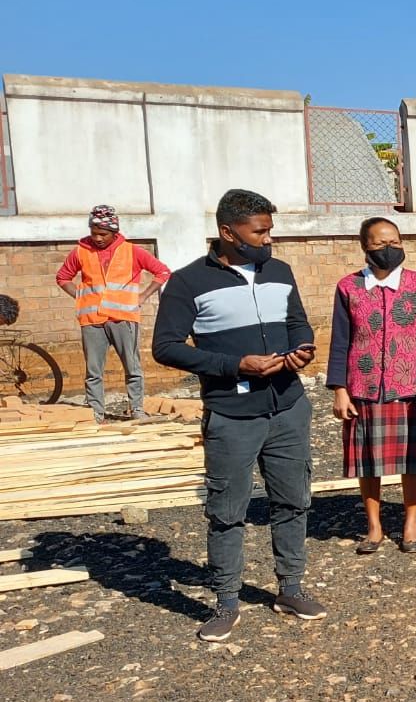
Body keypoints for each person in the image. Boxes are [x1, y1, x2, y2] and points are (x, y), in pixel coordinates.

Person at [153, 188, 324, 642]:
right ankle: (226, 601)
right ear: (228, 233)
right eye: (260, 231)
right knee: (227, 511)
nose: (268, 239)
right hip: (232, 414)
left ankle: (290, 588)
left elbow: (297, 321)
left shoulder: (279, 271)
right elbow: (165, 347)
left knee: (293, 500)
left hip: (288, 406)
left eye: (269, 229)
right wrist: (234, 365)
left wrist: (302, 347)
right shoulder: (188, 282)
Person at [325, 218, 416, 555]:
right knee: (368, 460)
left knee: (413, 459)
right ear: (365, 246)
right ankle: (374, 527)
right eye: (380, 243)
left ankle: (411, 523)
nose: (389, 248)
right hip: (363, 387)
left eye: (394, 241)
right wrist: (339, 388)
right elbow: (339, 340)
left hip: (410, 386)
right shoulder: (348, 288)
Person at [55, 204, 171, 422]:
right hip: (92, 320)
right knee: (93, 371)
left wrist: (144, 296)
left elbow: (163, 272)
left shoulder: (132, 251)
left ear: (114, 232)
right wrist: (80, 296)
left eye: (103, 234)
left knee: (132, 367)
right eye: (94, 233)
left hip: (124, 319)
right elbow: (63, 277)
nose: (97, 238)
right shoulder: (81, 251)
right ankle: (96, 413)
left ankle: (137, 409)